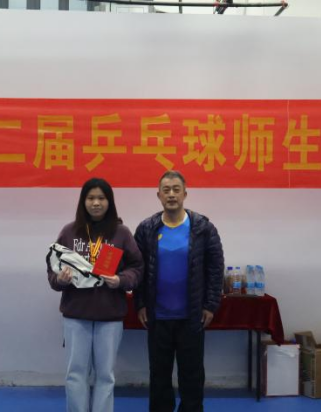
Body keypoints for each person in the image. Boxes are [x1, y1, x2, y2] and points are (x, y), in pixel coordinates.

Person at [48, 177, 143, 412]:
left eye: (101, 198)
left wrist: (121, 280)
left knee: (105, 375)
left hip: (110, 316)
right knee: (75, 374)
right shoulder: (69, 232)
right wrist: (60, 280)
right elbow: (53, 270)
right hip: (76, 315)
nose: (96, 203)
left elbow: (137, 267)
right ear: (83, 201)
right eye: (91, 198)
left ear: (109, 202)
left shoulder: (121, 233)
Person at [134, 170, 224, 412]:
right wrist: (140, 303)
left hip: (192, 317)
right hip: (157, 317)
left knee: (192, 376)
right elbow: (137, 269)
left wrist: (210, 305)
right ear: (158, 195)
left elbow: (215, 269)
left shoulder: (203, 228)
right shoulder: (146, 229)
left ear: (185, 194)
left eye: (176, 189)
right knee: (159, 376)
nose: (171, 194)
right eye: (166, 190)